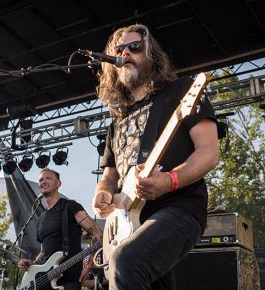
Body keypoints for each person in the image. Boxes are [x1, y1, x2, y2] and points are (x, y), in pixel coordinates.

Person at [92, 24, 219, 290]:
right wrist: (103, 192)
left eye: (135, 47)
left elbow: (209, 152)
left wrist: (170, 180)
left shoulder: (181, 90)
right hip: (129, 221)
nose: (126, 53)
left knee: (125, 264)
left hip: (178, 207)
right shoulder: (117, 119)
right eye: (119, 49)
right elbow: (110, 173)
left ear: (151, 54)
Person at [18, 168, 102, 290]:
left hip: (69, 281)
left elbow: (97, 233)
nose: (43, 181)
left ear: (59, 184)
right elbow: (44, 251)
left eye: (48, 178)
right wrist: (33, 264)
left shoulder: (70, 207)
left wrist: (89, 266)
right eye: (41, 179)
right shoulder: (41, 218)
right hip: (44, 281)